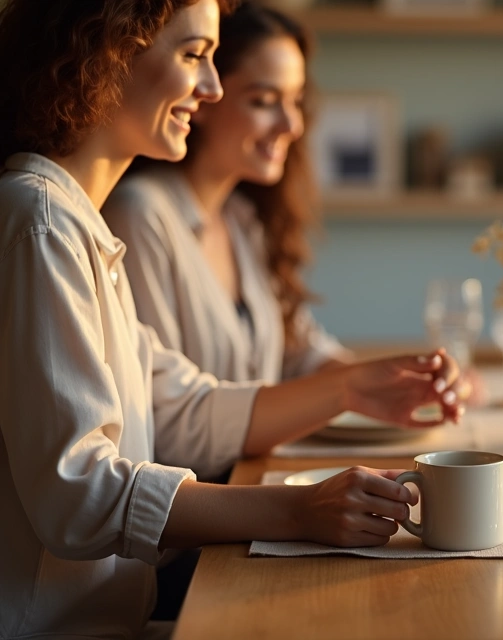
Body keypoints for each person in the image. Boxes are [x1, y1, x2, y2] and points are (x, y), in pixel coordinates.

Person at [0, 1, 461, 636]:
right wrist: (300, 511)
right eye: (194, 56)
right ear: (107, 53)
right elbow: (79, 496)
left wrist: (354, 386)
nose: (211, 87)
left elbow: (181, 406)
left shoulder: (77, 226)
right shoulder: (41, 223)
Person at [104, 3, 351, 395]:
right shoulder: (141, 214)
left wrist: (402, 378)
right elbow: (162, 402)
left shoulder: (242, 218)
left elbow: (298, 350)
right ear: (202, 94)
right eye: (263, 101)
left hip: (255, 459)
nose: (293, 125)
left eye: (295, 100)